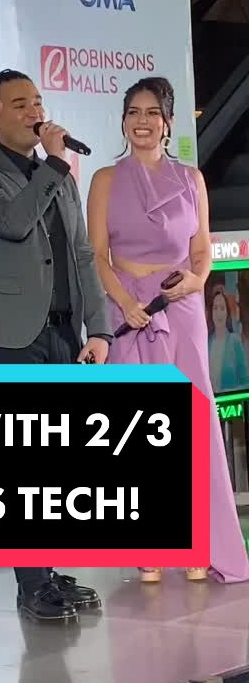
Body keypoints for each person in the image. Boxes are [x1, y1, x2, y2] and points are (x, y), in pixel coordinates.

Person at [0, 68, 111, 623]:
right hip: (7, 339)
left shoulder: (56, 175)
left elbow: (83, 254)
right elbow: (14, 222)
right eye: (19, 104)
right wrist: (55, 165)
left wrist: (99, 328)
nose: (33, 112)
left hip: (62, 333)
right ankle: (31, 584)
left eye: (37, 101)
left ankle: (46, 569)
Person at [87, 75, 249, 585]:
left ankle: (203, 543)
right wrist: (124, 304)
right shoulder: (105, 180)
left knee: (194, 426)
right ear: (124, 122)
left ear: (168, 122)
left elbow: (202, 251)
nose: (142, 121)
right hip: (127, 312)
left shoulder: (191, 179)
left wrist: (196, 282)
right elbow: (96, 256)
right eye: (133, 112)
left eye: (152, 112)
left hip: (181, 309)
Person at [207, 286, 248, 392]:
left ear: (227, 312)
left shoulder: (235, 341)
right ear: (211, 312)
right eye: (215, 308)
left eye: (222, 308)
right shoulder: (207, 343)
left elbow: (245, 383)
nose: (219, 313)